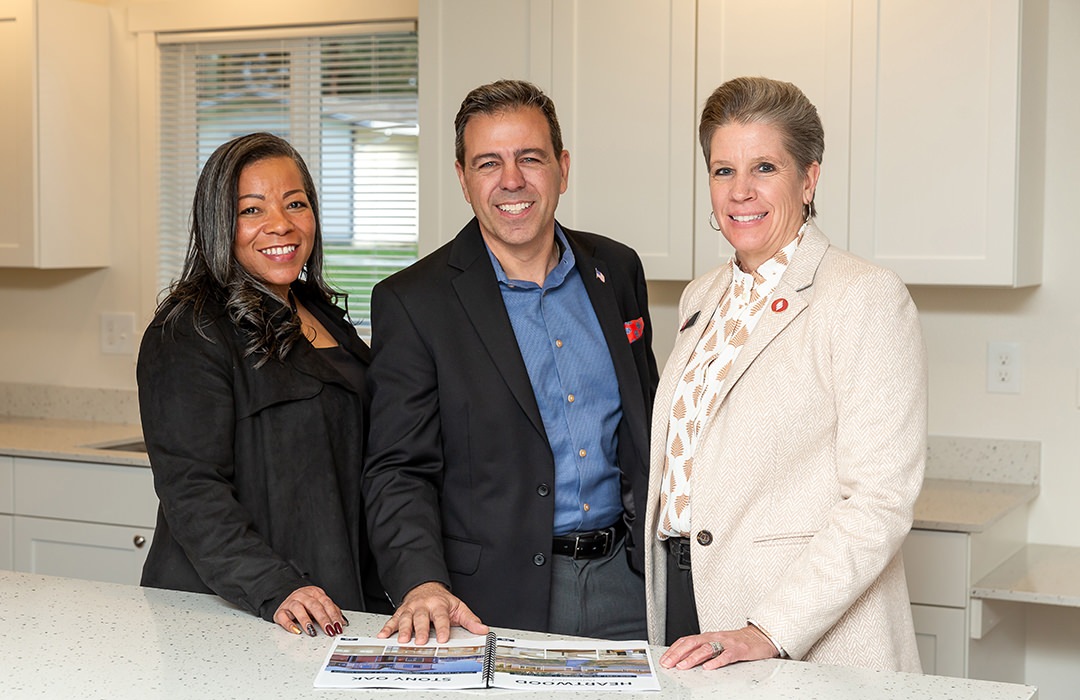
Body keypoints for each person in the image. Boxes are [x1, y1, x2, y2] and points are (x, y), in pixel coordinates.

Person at [362, 79, 659, 644]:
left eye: (530, 158)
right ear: (462, 179)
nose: (512, 181)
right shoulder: (414, 301)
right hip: (487, 601)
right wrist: (420, 581)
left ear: (562, 168)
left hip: (631, 584)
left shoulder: (617, 270)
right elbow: (398, 470)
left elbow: (649, 425)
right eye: (488, 163)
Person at [646, 77, 924, 672]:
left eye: (764, 167)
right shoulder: (702, 295)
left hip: (798, 626)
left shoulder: (863, 296)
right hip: (683, 601)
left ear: (809, 177)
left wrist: (766, 630)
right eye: (723, 170)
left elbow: (881, 501)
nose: (740, 191)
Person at [137, 132, 391, 638]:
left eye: (295, 203)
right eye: (251, 210)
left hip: (329, 594)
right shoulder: (190, 329)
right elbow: (193, 489)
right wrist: (275, 586)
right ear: (218, 223)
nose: (281, 224)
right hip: (241, 606)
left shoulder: (317, 313)